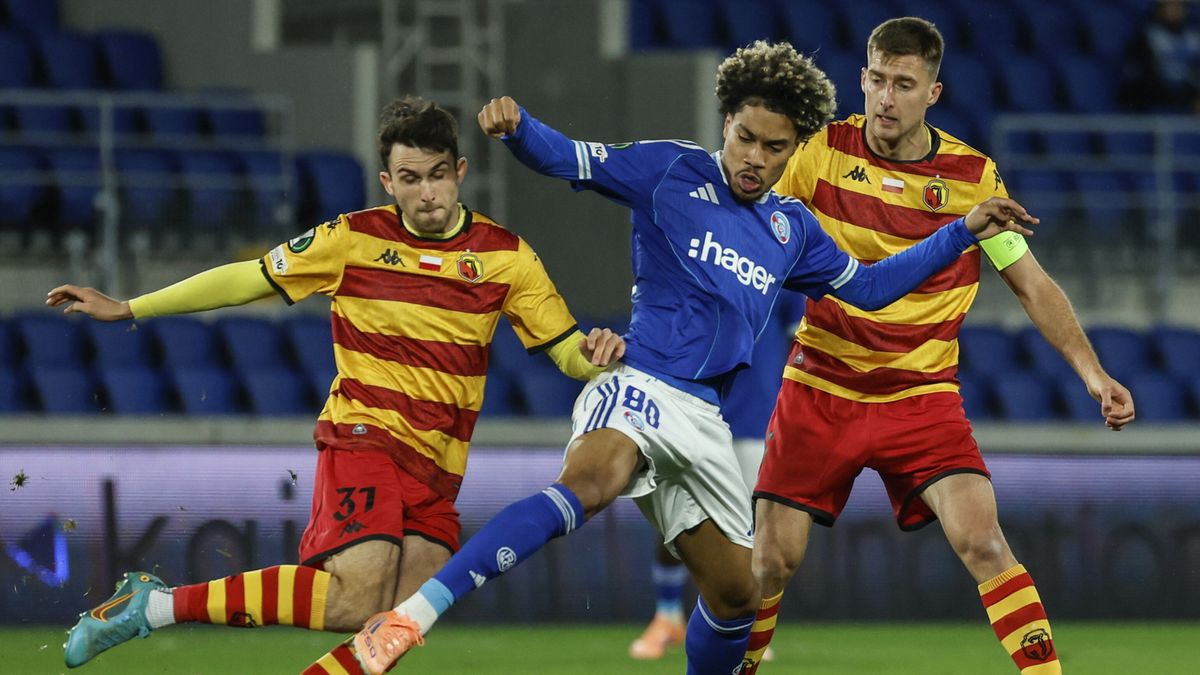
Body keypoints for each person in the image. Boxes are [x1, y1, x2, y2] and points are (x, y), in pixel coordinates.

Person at [302, 40, 1038, 675]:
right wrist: (519, 128)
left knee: (736, 595)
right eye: (746, 137)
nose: (755, 158)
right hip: (641, 381)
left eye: (775, 147)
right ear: (727, 122)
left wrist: (962, 229)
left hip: (704, 422)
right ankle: (409, 618)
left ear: (795, 148)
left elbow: (872, 288)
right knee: (592, 482)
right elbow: (573, 160)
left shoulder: (793, 228)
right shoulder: (670, 171)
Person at [50, 95, 625, 669]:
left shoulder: (507, 258)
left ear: (460, 173)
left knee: (398, 617)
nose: (428, 193)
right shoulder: (351, 239)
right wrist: (130, 308)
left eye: (439, 176)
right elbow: (246, 279)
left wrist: (595, 355)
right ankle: (154, 608)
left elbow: (566, 351)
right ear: (387, 182)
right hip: (363, 435)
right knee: (357, 595)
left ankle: (156, 607)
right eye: (410, 179)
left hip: (439, 467)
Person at [741, 18, 1137, 675]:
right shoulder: (819, 153)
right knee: (768, 561)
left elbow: (1031, 285)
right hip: (822, 385)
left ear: (934, 92)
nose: (885, 98)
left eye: (903, 84)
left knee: (983, 540)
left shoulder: (973, 179)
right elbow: (752, 244)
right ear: (861, 79)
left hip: (919, 397)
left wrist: (1094, 374)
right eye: (875, 80)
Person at [628, 295, 802, 662]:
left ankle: (747, 625)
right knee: (675, 516)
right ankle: (668, 615)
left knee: (750, 527)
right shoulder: (695, 247)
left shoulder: (786, 249)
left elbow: (801, 338)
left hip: (756, 411)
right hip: (689, 402)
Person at [1121, 0, 1200, 113]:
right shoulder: (1147, 36)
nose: (1176, 10)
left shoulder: (1194, 37)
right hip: (1159, 100)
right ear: (1159, 9)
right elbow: (1143, 76)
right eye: (1171, 6)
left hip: (1189, 98)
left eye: (1180, 6)